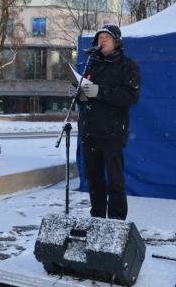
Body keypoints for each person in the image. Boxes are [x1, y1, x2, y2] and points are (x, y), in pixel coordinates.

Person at [73, 24, 141, 220]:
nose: (102, 40)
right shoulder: (91, 64)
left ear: (117, 42)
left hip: (112, 133)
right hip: (89, 132)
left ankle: (116, 222)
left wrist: (97, 91)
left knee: (115, 181)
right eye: (99, 37)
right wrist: (78, 93)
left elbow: (129, 96)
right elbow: (84, 97)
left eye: (106, 37)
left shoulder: (127, 66)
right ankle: (97, 218)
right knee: (94, 180)